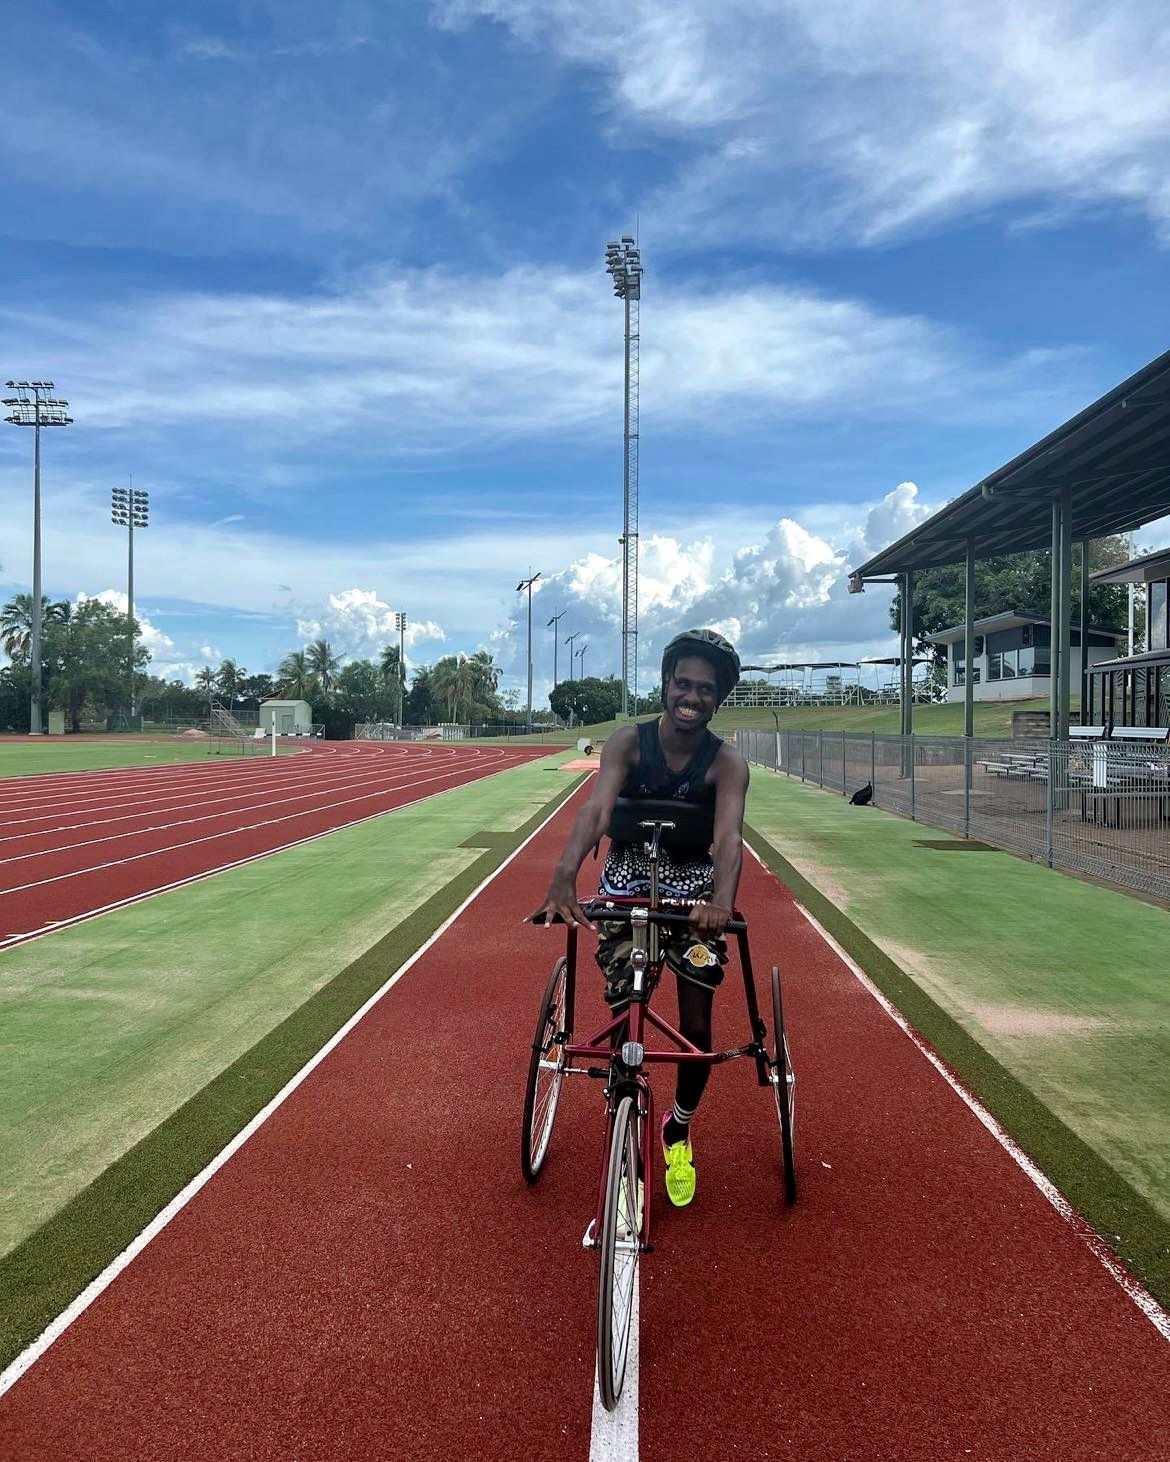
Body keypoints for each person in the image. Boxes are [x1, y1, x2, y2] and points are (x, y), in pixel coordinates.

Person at [532, 628, 749, 1207]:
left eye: (706, 689)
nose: (692, 696)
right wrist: (563, 874)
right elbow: (597, 808)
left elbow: (729, 839)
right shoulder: (627, 742)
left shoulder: (727, 764)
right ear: (665, 682)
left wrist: (721, 903)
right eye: (683, 683)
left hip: (694, 896)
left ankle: (677, 1127)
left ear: (718, 697)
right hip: (626, 885)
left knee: (696, 1031)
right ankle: (622, 1092)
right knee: (625, 1002)